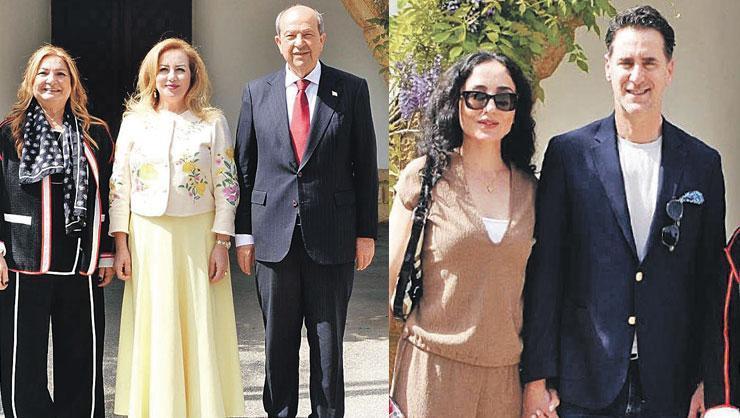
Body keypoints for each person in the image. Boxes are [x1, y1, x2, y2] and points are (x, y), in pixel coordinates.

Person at [520, 5, 726, 418]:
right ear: (608, 68)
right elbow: (547, 271)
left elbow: (711, 282)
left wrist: (711, 382)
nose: (636, 76)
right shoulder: (569, 155)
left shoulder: (702, 163)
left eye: (649, 62)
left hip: (672, 385)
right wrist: (536, 378)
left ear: (669, 70)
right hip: (583, 383)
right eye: (626, 62)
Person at [234, 4, 378, 417]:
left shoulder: (351, 89)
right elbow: (244, 168)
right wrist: (244, 235)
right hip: (272, 236)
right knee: (277, 342)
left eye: (308, 34)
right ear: (279, 42)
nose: (300, 43)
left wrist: (366, 233)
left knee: (328, 344)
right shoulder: (256, 92)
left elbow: (365, 165)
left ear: (322, 39)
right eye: (291, 35)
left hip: (332, 236)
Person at [389, 51, 546, 417]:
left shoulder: (532, 192)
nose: (489, 109)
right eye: (477, 96)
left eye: (503, 99)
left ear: (516, 111)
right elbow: (391, 281)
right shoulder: (424, 177)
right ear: (455, 102)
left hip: (504, 378)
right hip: (434, 370)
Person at [110, 38, 244, 417]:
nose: (172, 77)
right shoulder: (134, 122)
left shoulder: (212, 122)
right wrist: (121, 243)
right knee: (156, 324)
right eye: (164, 69)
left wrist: (222, 242)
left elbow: (227, 184)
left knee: (198, 323)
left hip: (197, 237)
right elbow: (119, 184)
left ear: (193, 76)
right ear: (152, 76)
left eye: (180, 70)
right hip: (147, 237)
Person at [0, 45, 114, 417]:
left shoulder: (95, 134)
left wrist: (107, 253)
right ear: (30, 81)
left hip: (80, 263)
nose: (52, 80)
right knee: (22, 360)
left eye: (61, 73)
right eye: (44, 73)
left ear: (73, 83)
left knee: (82, 358)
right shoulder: (9, 132)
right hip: (23, 260)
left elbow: (108, 195)